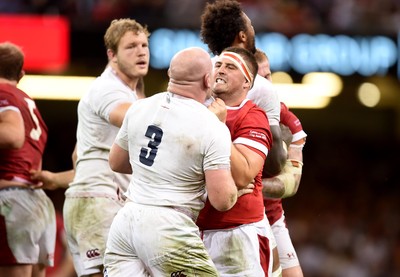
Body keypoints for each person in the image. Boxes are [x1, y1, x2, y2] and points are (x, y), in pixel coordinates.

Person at [103, 46, 238, 276]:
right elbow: (222, 200)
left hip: (126, 222)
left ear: (169, 74)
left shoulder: (139, 107)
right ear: (208, 80)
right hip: (169, 226)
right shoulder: (212, 125)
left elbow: (116, 162)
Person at [62, 18, 150, 277]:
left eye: (144, 44)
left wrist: (56, 180)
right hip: (99, 200)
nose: (141, 51)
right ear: (112, 55)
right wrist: (180, 108)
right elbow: (129, 116)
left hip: (103, 199)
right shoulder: (106, 88)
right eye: (131, 46)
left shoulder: (130, 92)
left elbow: (78, 154)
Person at [196, 46, 274, 276]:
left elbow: (242, 175)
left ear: (246, 83)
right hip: (192, 230)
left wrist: (219, 127)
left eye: (230, 67)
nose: (220, 70)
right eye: (218, 65)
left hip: (238, 232)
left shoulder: (252, 116)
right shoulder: (194, 109)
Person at [200, 0, 287, 178]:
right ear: (243, 36)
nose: (252, 29)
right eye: (250, 25)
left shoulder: (199, 75)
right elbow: (273, 165)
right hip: (241, 187)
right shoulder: (260, 86)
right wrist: (286, 147)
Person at [0, 42, 56, 277]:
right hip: (36, 201)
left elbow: (13, 136)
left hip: (12, 201)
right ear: (21, 74)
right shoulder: (28, 102)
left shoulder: (2, 94)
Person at [255, 49, 307, 277]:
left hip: (272, 215)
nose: (270, 83)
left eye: (269, 75)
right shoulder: (220, 112)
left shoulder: (284, 115)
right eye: (263, 78)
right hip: (234, 220)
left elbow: (292, 183)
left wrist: (254, 187)